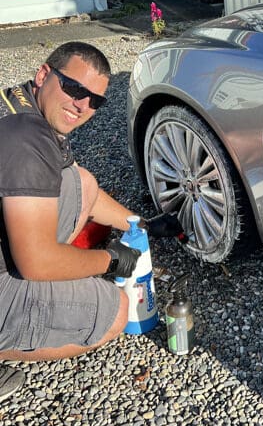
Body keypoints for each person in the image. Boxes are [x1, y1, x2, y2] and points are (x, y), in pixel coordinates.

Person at [0, 42, 179, 401]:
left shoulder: (19, 107)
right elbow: (35, 263)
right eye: (74, 89)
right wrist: (110, 260)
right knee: (116, 313)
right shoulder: (25, 143)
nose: (82, 105)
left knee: (80, 182)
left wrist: (141, 224)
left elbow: (87, 195)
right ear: (44, 74)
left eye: (94, 100)